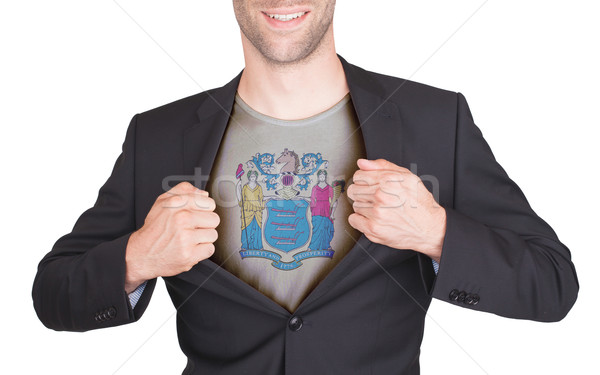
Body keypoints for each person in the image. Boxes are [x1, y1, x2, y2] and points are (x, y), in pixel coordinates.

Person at [32, 1, 579, 374]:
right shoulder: (158, 136)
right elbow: (52, 294)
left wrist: (437, 233)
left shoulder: (436, 120)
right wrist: (137, 257)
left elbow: (553, 283)